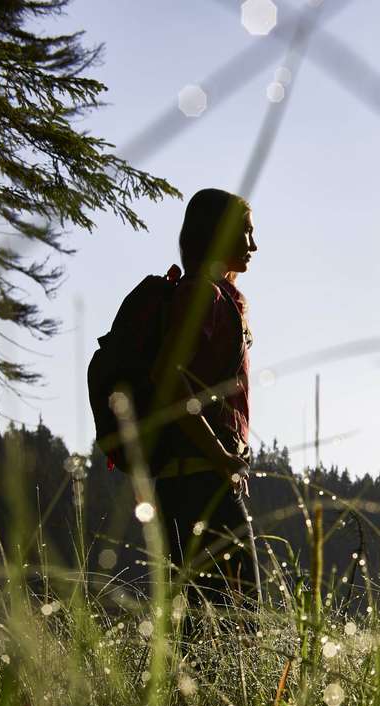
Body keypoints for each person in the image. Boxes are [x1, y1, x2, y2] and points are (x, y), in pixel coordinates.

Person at [148, 187, 261, 612]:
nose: (253, 245)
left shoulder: (214, 295)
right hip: (199, 482)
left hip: (192, 480)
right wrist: (219, 457)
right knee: (239, 620)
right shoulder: (203, 295)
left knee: (200, 626)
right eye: (244, 233)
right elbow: (166, 380)